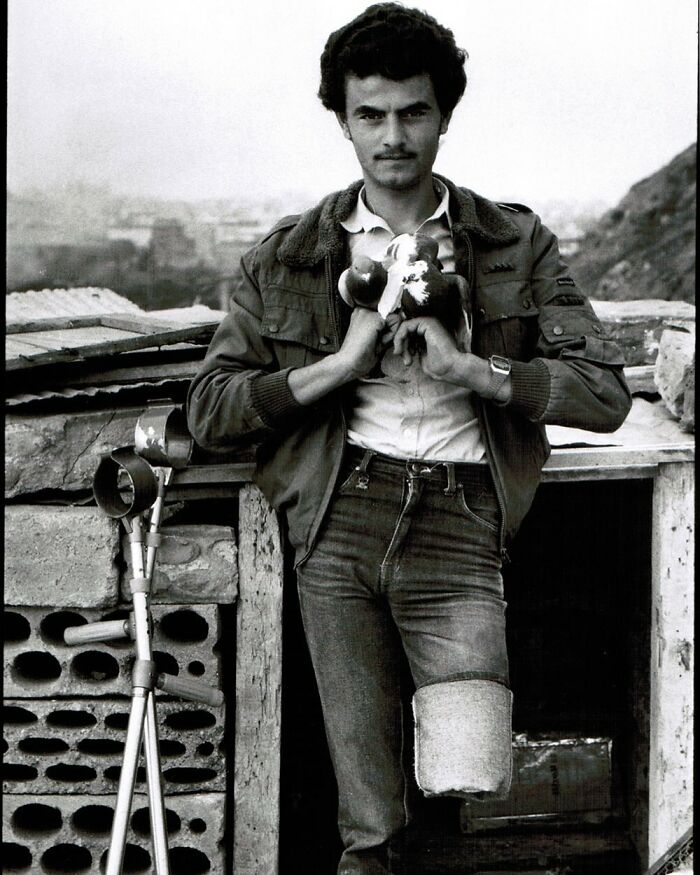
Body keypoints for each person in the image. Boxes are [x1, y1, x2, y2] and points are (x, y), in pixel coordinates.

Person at [187, 4, 632, 872]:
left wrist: (474, 370)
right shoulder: (288, 256)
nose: (393, 136)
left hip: (461, 523)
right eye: (371, 114)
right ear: (343, 120)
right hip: (338, 519)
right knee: (369, 817)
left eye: (413, 112)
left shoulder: (512, 242)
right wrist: (340, 365)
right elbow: (210, 408)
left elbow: (605, 394)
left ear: (444, 114)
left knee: (471, 771)